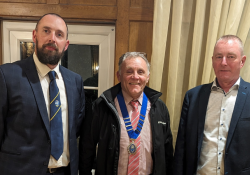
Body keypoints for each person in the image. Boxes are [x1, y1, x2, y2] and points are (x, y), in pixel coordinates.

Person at [0, 13, 85, 175]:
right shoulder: (7, 75)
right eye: (46, 31)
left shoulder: (75, 81)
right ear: (35, 35)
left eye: (59, 34)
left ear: (66, 44)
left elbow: (76, 128)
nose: (52, 38)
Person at [79, 52, 173, 175]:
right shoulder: (101, 107)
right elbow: (87, 149)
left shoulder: (160, 108)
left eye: (140, 72)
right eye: (129, 71)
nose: (135, 77)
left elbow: (168, 154)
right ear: (119, 75)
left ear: (148, 77)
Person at [173, 35, 249, 175]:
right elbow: (181, 148)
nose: (224, 62)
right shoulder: (193, 96)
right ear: (213, 60)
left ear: (242, 61)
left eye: (230, 56)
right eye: (219, 57)